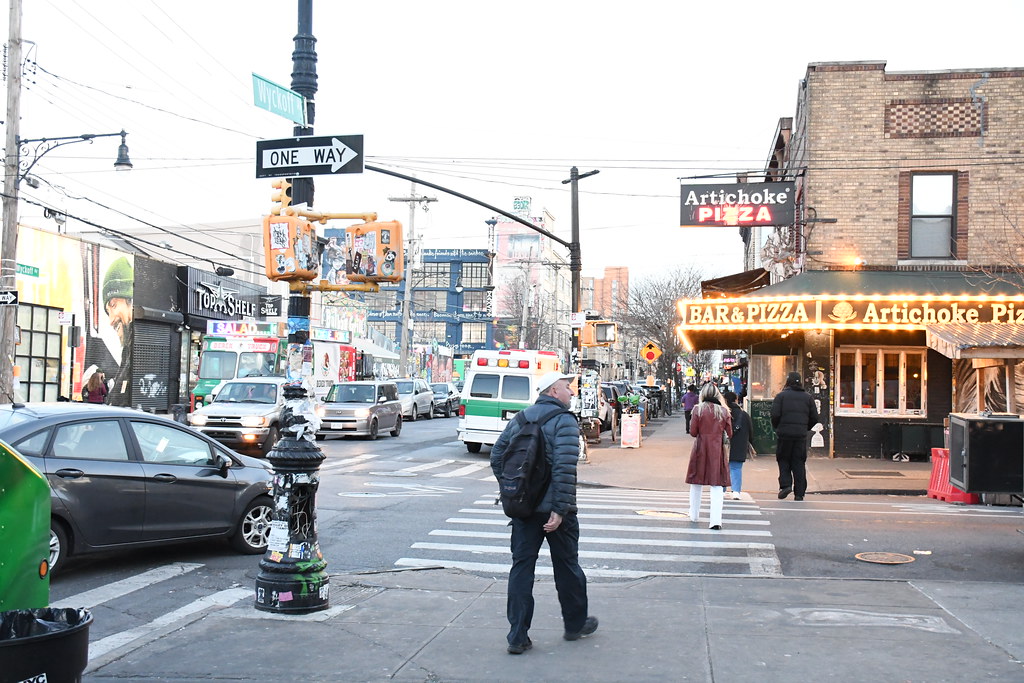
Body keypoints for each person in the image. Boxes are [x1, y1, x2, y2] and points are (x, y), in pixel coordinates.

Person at [490, 370, 598, 655]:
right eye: (567, 387)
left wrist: (514, 491)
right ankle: (575, 624)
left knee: (522, 568)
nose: (572, 392)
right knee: (567, 566)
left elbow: (497, 457)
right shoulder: (564, 421)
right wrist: (559, 510)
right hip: (556, 513)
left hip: (524, 510)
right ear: (553, 391)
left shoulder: (522, 417)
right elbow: (564, 470)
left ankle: (517, 635)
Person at [686, 383, 732, 530]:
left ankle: (694, 515)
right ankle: (715, 521)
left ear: (703, 395)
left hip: (700, 448)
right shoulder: (724, 411)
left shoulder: (698, 410)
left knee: (696, 481)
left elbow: (693, 432)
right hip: (717, 449)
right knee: (717, 484)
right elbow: (730, 433)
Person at [771, 371, 820, 501]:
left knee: (783, 459)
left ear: (788, 381)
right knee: (799, 462)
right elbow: (815, 417)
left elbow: (775, 415)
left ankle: (786, 485)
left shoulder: (781, 397)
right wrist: (805, 427)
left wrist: (778, 427)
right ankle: (799, 493)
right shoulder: (808, 398)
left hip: (784, 435)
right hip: (800, 435)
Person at [103, 256, 134, 407]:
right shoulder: (128, 350)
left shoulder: (137, 347)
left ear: (130, 302)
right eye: (107, 311)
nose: (111, 320)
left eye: (113, 305)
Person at [722, 391, 752, 500]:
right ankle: (736, 492)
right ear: (736, 400)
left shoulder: (722, 413)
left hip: (724, 445)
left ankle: (722, 490)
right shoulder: (744, 414)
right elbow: (750, 430)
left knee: (723, 468)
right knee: (736, 468)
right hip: (739, 444)